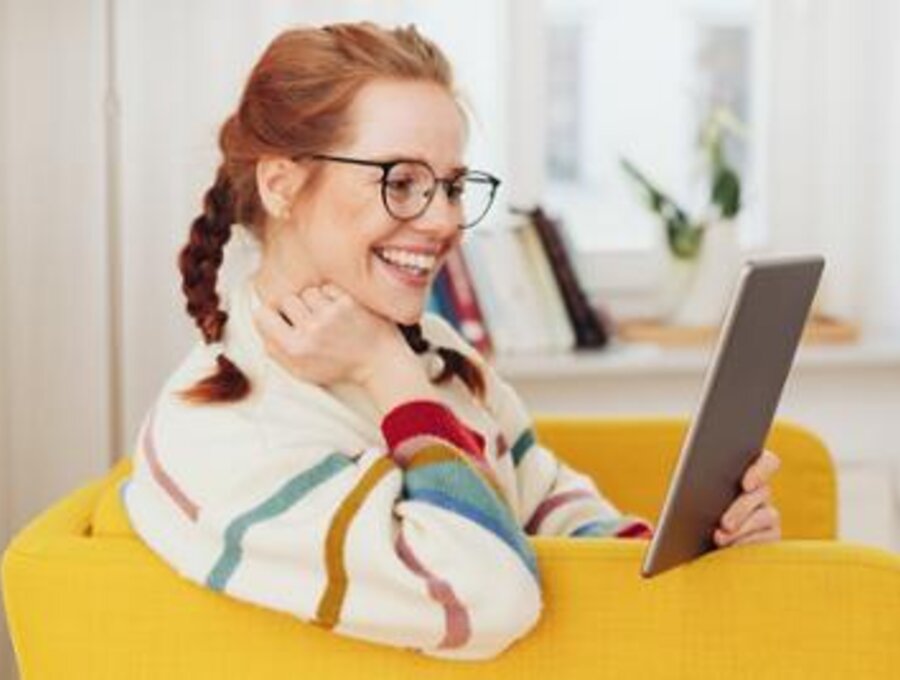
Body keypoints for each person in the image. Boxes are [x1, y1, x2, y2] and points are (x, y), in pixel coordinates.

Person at [122, 22, 782, 661]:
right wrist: (388, 373)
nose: (444, 221)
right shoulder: (223, 432)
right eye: (401, 182)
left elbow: (543, 497)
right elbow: (488, 599)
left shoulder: (435, 350)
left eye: (454, 186)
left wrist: (692, 554)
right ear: (281, 184)